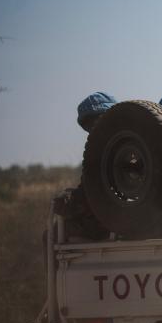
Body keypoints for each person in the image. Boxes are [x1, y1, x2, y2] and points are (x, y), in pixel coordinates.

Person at [56, 93, 119, 240]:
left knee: (51, 235)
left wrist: (66, 202)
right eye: (91, 124)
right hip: (146, 221)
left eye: (97, 121)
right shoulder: (140, 141)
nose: (94, 128)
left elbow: (90, 199)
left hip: (110, 226)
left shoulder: (100, 154)